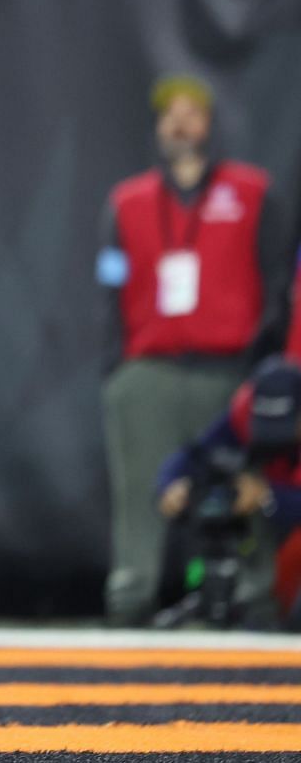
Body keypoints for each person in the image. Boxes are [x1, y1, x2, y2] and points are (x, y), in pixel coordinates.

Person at [96, 74, 289, 624]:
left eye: (192, 112)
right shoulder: (127, 201)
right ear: (158, 127)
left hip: (228, 368)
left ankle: (255, 599)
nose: (180, 122)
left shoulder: (251, 192)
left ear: (209, 123)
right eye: (170, 114)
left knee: (246, 487)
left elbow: (276, 281)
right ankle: (131, 597)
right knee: (140, 496)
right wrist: (118, 368)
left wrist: (261, 367)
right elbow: (109, 286)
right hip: (149, 369)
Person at [155, 357, 301, 629]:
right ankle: (250, 603)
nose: (275, 438)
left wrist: (268, 496)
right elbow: (195, 454)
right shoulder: (243, 412)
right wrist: (171, 483)